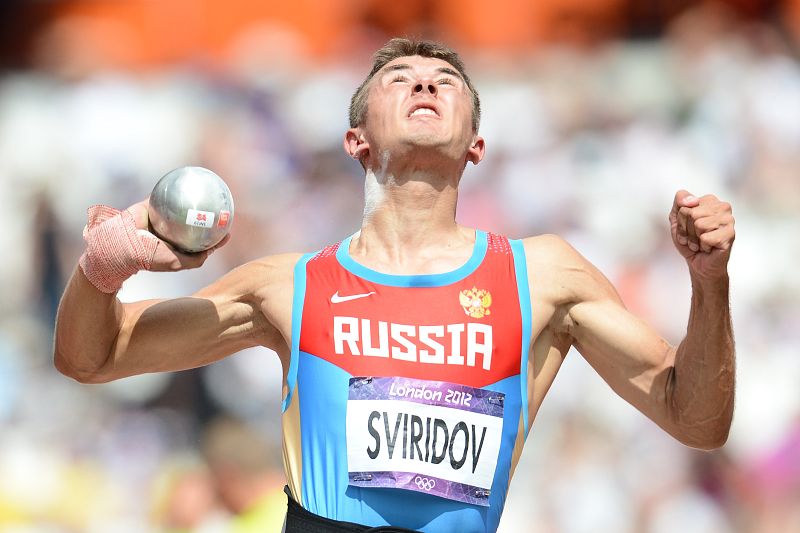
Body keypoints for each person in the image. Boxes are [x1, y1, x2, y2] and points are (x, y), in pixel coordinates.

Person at [54, 38, 736, 533]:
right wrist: (102, 270)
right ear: (356, 141)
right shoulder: (290, 285)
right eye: (400, 79)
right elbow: (90, 356)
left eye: (446, 80)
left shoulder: (544, 277)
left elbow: (699, 420)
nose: (425, 86)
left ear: (476, 144)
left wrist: (710, 284)